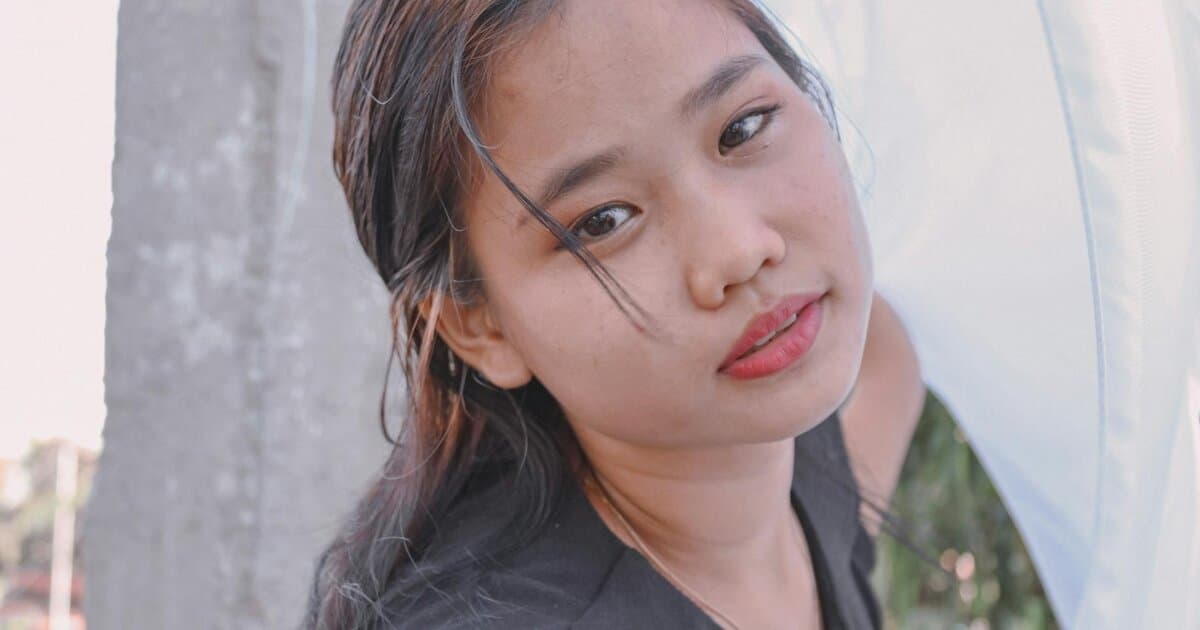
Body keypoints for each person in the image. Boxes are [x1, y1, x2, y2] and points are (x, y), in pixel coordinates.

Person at [304, 0, 925, 628]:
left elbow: (887, 360)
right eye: (603, 222)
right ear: (481, 325)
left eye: (743, 127)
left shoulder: (799, 470)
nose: (739, 251)